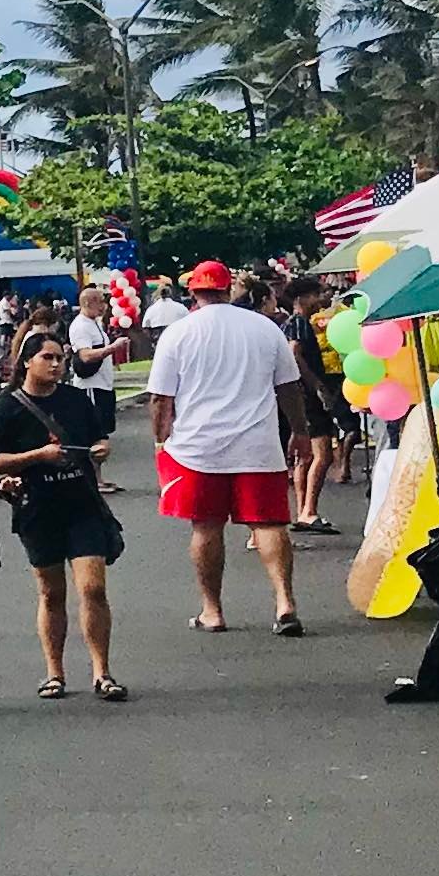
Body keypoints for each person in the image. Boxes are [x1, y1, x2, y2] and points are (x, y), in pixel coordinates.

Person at [146, 257, 306, 637]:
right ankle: (285, 603)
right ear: (229, 290)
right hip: (258, 443)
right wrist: (300, 430)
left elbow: (160, 398)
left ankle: (212, 610)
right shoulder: (265, 328)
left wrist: (160, 437)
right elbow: (289, 386)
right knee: (269, 523)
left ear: (194, 292)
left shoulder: (178, 333)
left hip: (198, 448)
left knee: (205, 528)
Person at [0, 337, 131, 703]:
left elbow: (100, 439)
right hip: (38, 509)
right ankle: (55, 673)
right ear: (27, 362)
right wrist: (37, 456)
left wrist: (101, 449)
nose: (55, 364)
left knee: (92, 588)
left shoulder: (75, 400)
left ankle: (102, 672)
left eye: (60, 358)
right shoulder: (7, 408)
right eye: (46, 358)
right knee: (51, 593)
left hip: (82, 505)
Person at [279, 275, 342, 537]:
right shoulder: (299, 325)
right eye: (317, 294)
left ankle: (303, 510)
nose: (322, 300)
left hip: (301, 395)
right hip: (308, 397)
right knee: (322, 453)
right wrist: (316, 386)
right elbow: (294, 353)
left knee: (304, 457)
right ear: (302, 299)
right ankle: (309, 509)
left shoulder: (293, 324)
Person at [66, 285, 123, 486]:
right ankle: (92, 479)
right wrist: (112, 348)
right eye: (100, 302)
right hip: (91, 385)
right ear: (88, 303)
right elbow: (85, 355)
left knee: (103, 431)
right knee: (93, 432)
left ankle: (98, 477)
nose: (104, 306)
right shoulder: (80, 326)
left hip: (104, 385)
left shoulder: (94, 324)